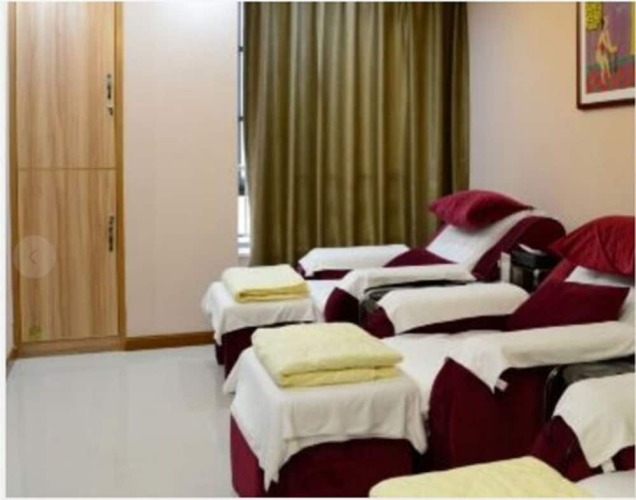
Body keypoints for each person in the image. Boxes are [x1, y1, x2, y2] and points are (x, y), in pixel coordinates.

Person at [595, 15, 618, 86]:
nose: (607, 22)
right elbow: (606, 45)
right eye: (606, 21)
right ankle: (603, 81)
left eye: (607, 20)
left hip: (604, 52)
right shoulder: (602, 34)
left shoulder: (607, 32)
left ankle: (610, 79)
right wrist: (612, 49)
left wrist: (612, 48)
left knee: (608, 67)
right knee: (603, 68)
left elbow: (609, 43)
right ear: (603, 24)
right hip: (599, 54)